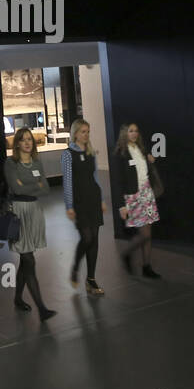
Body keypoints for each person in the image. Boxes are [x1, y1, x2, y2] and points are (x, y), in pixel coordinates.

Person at [4, 127, 56, 321]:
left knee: (26, 260)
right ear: (17, 143)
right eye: (23, 139)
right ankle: (42, 308)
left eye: (30, 140)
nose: (27, 143)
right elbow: (16, 189)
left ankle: (17, 297)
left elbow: (47, 189)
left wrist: (29, 188)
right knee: (29, 260)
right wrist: (36, 186)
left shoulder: (37, 163)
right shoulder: (10, 163)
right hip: (19, 213)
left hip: (34, 212)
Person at [63, 118, 107, 295]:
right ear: (75, 133)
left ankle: (91, 279)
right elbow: (67, 182)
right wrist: (69, 205)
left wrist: (102, 199)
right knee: (87, 238)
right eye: (83, 131)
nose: (86, 135)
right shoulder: (67, 154)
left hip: (93, 200)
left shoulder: (90, 152)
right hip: (79, 202)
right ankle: (75, 267)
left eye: (88, 131)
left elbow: (96, 178)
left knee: (94, 239)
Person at [113, 122, 161, 278]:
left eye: (136, 131)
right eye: (131, 131)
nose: (134, 134)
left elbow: (143, 170)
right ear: (125, 133)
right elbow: (118, 182)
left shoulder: (141, 149)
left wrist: (149, 160)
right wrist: (122, 206)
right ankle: (127, 254)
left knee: (148, 232)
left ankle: (147, 266)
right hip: (133, 196)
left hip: (146, 192)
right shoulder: (121, 154)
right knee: (144, 234)